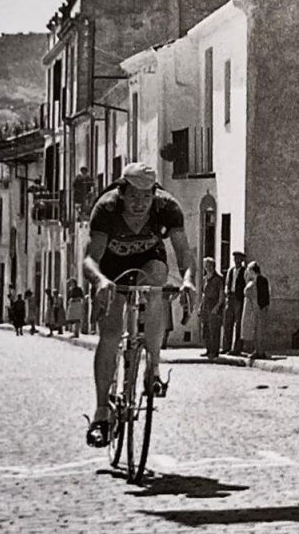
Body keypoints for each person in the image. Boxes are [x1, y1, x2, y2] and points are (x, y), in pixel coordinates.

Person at [81, 162, 196, 448]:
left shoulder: (166, 207)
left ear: (154, 195)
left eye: (146, 197)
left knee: (156, 284)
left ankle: (152, 369)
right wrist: (100, 281)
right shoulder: (106, 208)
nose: (139, 204)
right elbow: (90, 259)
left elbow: (183, 252)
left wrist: (189, 281)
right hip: (111, 266)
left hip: (148, 261)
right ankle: (101, 412)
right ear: (121, 193)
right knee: (110, 333)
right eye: (133, 196)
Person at [221, 251, 247, 355]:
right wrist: (227, 294)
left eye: (238, 259)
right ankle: (226, 347)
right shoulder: (231, 271)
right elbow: (227, 283)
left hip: (239, 298)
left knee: (238, 324)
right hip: (230, 297)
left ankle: (237, 348)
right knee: (227, 322)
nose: (236, 260)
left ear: (242, 260)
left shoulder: (244, 271)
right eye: (235, 258)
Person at [242, 261, 269, 360]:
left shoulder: (261, 279)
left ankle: (260, 351)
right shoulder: (253, 280)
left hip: (260, 308)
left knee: (260, 331)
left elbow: (264, 295)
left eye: (248, 269)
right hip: (255, 308)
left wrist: (261, 307)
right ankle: (256, 350)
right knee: (255, 330)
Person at [199, 257, 223, 359]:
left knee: (214, 329)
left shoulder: (218, 279)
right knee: (206, 329)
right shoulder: (205, 279)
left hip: (214, 304)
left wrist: (217, 307)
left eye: (209, 265)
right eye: (206, 266)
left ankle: (214, 351)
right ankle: (208, 349)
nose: (207, 268)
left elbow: (221, 295)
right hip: (206, 305)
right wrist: (200, 306)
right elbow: (203, 294)